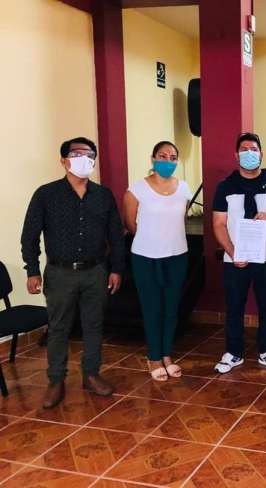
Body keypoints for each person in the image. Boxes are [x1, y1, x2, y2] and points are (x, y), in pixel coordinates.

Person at [21, 136, 125, 408]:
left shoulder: (103, 195)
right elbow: (29, 236)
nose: (84, 159)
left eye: (90, 155)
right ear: (64, 160)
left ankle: (91, 374)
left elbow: (116, 235)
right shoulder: (46, 194)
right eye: (77, 154)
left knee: (93, 325)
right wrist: (33, 270)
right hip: (60, 273)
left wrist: (116, 268)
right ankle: (56, 380)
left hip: (95, 271)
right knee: (58, 328)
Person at [212, 132, 266, 373]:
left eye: (254, 149)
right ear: (236, 155)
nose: (250, 153)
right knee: (234, 307)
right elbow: (218, 223)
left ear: (261, 154)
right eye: (244, 149)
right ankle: (233, 352)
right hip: (235, 258)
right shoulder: (225, 186)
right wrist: (233, 252)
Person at [123, 141, 192, 381]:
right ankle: (153, 356)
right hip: (146, 256)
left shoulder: (184, 188)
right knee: (152, 308)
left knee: (171, 308)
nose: (167, 161)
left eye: (173, 157)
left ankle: (166, 354)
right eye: (162, 156)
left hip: (177, 255)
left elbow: (181, 219)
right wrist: (150, 239)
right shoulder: (136, 189)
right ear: (153, 159)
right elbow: (130, 223)